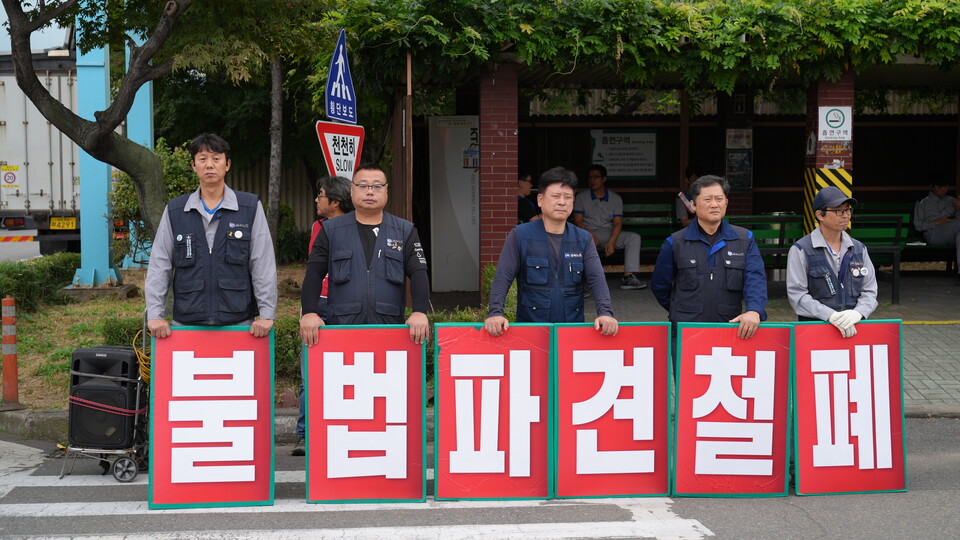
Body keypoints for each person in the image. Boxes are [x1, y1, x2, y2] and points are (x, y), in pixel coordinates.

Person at [145, 133, 277, 339]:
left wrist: (267, 313)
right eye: (203, 159)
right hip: (186, 323)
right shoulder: (176, 210)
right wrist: (154, 314)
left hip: (239, 322)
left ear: (227, 164)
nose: (209, 165)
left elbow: (263, 263)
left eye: (216, 159)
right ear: (193, 165)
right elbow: (159, 265)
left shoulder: (249, 207)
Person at [299, 163, 429, 347]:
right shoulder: (330, 230)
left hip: (389, 329)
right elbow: (314, 273)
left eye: (377, 186)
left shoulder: (404, 230)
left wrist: (419, 312)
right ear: (352, 191)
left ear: (386, 192)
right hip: (343, 328)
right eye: (363, 186)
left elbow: (418, 272)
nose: (370, 191)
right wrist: (310, 312)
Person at [485, 166, 618, 337]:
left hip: (571, 332)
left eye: (568, 197)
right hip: (530, 332)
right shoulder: (520, 235)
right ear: (540, 200)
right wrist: (496, 313)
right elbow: (503, 277)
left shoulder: (583, 239)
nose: (562, 202)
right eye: (555, 196)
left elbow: (597, 279)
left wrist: (606, 313)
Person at [650, 175, 767, 340]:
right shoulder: (675, 242)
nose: (714, 204)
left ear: (726, 202)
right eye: (707, 199)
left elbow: (755, 279)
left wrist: (754, 310)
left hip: (730, 327)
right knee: (686, 367)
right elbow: (660, 285)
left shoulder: (744, 239)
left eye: (719, 199)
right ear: (693, 205)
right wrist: (681, 309)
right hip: (687, 330)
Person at [292, 175, 354, 457]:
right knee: (309, 371)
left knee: (345, 371)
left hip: (344, 303)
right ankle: (305, 434)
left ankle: (342, 428)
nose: (316, 199)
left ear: (336, 201)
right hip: (317, 303)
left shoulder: (355, 227)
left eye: (321, 194)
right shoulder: (318, 226)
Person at [786, 186, 877, 337]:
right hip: (815, 329)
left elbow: (869, 290)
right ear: (820, 215)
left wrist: (858, 313)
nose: (845, 216)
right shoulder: (801, 249)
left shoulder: (859, 249)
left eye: (848, 210)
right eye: (838, 211)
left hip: (854, 328)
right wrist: (830, 316)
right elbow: (798, 295)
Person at [572, 164, 647, 290]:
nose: (592, 180)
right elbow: (578, 222)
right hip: (588, 233)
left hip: (609, 233)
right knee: (579, 240)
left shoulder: (615, 198)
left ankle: (629, 277)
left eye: (596, 177)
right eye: (590, 177)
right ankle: (585, 281)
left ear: (604, 179)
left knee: (633, 237)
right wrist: (589, 234)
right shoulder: (581, 197)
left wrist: (612, 242)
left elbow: (618, 223)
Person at [913, 179, 960, 278]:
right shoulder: (923, 203)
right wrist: (936, 222)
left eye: (946, 187)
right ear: (932, 187)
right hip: (933, 234)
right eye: (940, 187)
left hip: (951, 233)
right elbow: (918, 225)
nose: (944, 189)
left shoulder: (952, 201)